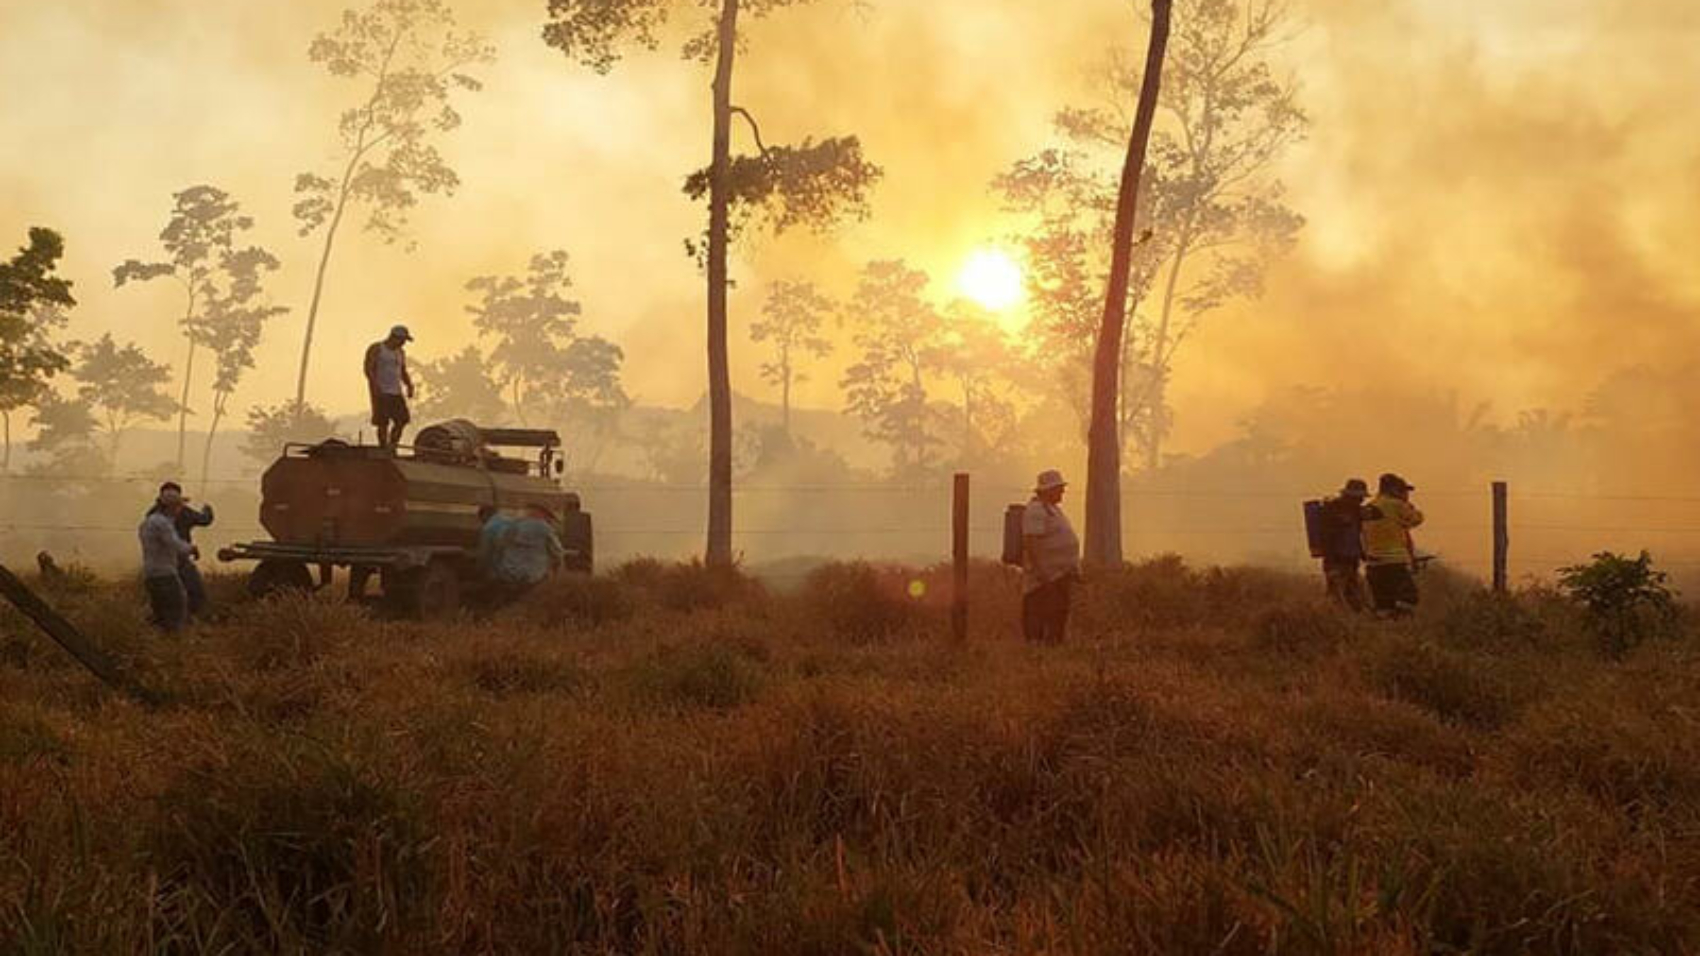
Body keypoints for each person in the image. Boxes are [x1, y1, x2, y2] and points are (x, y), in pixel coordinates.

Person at [1021, 469, 1081, 644]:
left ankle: (1053, 648)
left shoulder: (1052, 510)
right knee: (1039, 613)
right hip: (1044, 578)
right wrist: (1042, 572)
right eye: (1059, 488)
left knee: (1058, 614)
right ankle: (1037, 650)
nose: (1062, 491)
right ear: (1048, 490)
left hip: (1059, 575)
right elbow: (1032, 544)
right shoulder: (1036, 511)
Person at [146, 481, 214, 618]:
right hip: (176, 563)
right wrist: (208, 509)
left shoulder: (151, 516)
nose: (179, 508)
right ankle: (191, 620)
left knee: (163, 602)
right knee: (193, 593)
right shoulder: (180, 514)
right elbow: (204, 520)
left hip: (155, 566)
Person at [1361, 472, 1424, 617]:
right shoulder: (1396, 505)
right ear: (1393, 489)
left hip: (1373, 563)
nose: (1405, 493)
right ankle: (1402, 628)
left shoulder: (1368, 507)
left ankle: (1383, 632)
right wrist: (1407, 504)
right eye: (1403, 490)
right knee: (1409, 598)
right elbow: (1416, 519)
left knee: (1383, 605)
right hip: (1393, 561)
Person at [138, 485, 197, 633]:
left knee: (159, 611)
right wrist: (192, 549)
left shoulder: (147, 522)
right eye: (179, 506)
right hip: (165, 573)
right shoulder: (163, 524)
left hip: (150, 574)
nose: (180, 510)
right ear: (172, 507)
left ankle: (157, 641)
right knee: (176, 609)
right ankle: (173, 642)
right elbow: (175, 544)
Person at [482, 502, 564, 602]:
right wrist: (558, 572)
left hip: (509, 575)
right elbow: (558, 552)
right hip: (534, 579)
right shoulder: (545, 529)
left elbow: (500, 548)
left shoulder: (512, 526)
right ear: (541, 515)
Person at [1318, 478, 1369, 611]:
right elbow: (1327, 538)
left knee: (1352, 596)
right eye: (1359, 497)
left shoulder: (1355, 512)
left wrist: (1363, 555)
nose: (1362, 500)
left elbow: (1356, 537)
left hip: (1351, 560)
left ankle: (1351, 622)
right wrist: (1331, 562)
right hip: (1336, 561)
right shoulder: (1333, 510)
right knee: (1337, 597)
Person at [363, 324, 415, 449]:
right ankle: (383, 447)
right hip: (381, 391)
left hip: (396, 391)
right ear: (394, 337)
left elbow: (402, 370)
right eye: (402, 340)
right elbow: (368, 369)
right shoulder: (377, 348)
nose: (403, 343)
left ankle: (392, 446)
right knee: (383, 422)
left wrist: (409, 385)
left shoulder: (400, 352)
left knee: (402, 420)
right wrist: (375, 386)